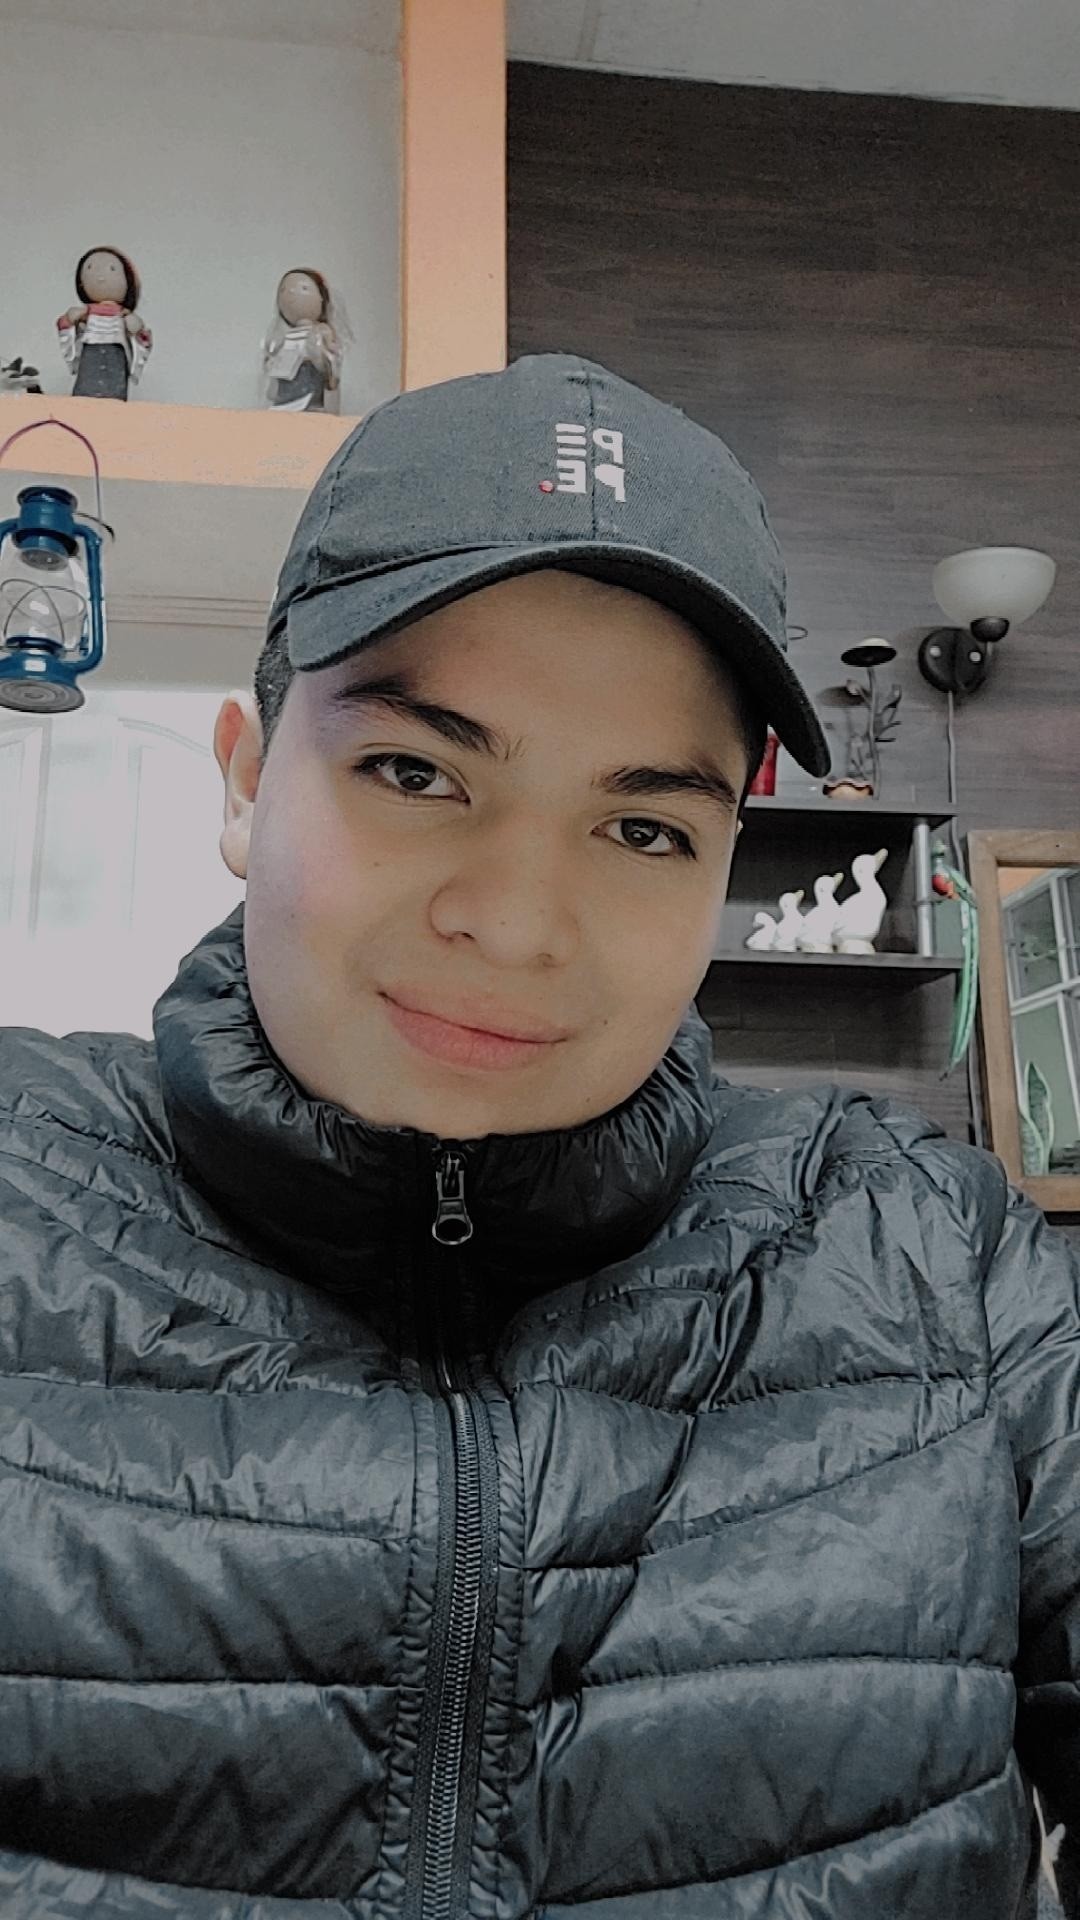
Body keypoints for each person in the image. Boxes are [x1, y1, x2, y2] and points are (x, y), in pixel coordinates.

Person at [0, 353, 1076, 1920]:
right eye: (416, 771)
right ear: (244, 780)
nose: (515, 924)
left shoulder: (934, 1254)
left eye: (643, 827)